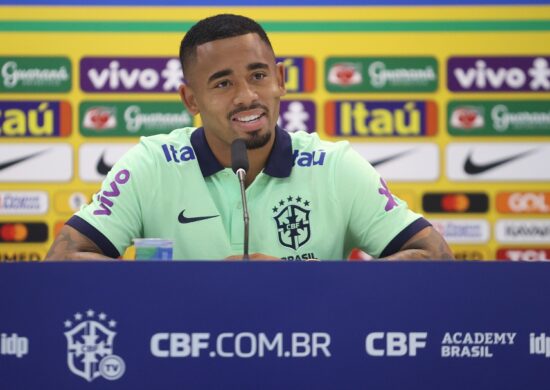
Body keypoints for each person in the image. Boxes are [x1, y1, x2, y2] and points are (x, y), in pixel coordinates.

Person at [46, 14, 454, 261]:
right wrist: (178, 288)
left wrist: (314, 279)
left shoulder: (334, 167)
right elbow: (63, 256)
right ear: (191, 98)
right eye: (222, 84)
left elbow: (436, 255)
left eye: (258, 75)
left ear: (280, 80)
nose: (247, 97)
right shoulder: (151, 165)